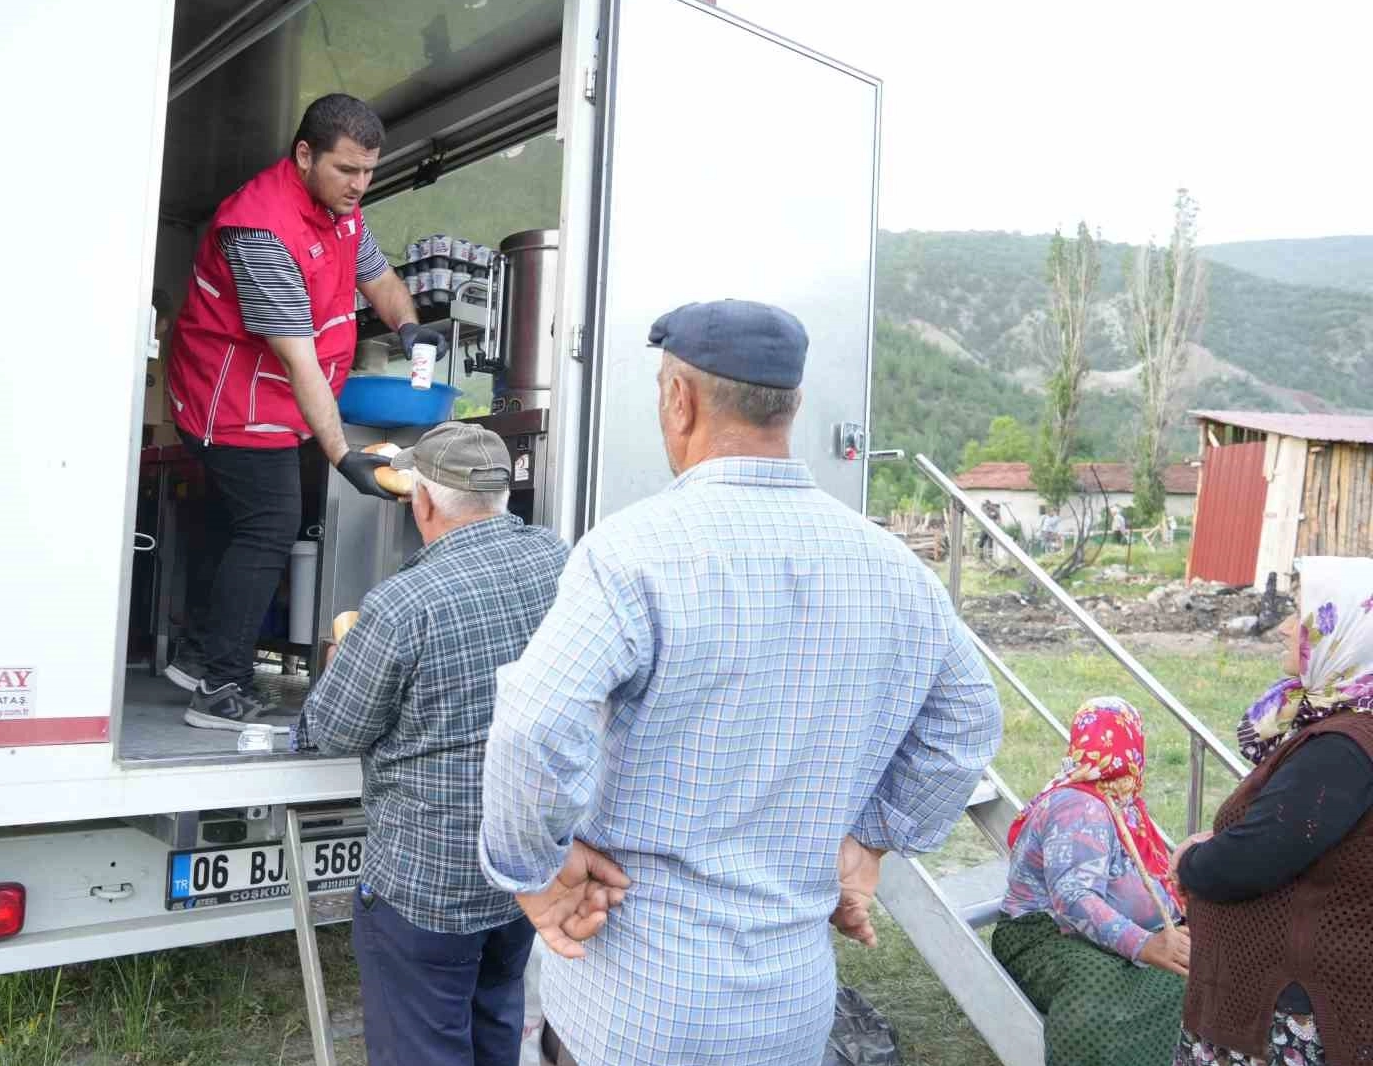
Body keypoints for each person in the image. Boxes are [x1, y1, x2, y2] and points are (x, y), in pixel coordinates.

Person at [476, 299, 1004, 1065]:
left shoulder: (633, 552)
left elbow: (533, 726)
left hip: (637, 1004)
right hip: (791, 1011)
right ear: (786, 409)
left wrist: (534, 871)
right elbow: (966, 721)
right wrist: (872, 841)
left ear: (678, 399)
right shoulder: (894, 569)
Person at [163, 92, 449, 730]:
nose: (360, 184)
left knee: (237, 523)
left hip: (281, 399)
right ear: (304, 155)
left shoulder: (340, 209)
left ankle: (199, 653)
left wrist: (409, 327)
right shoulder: (260, 229)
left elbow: (376, 277)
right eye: (347, 170)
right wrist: (343, 454)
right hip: (230, 400)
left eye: (369, 170)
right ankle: (219, 689)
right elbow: (297, 357)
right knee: (269, 524)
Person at [300, 422, 569, 1066]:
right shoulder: (564, 563)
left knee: (423, 1046)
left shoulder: (402, 604)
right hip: (524, 868)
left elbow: (332, 731)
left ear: (420, 503)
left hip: (428, 886)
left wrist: (345, 657)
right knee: (496, 1026)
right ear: (504, 495)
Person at [1172, 556, 1373, 1066]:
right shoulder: (1346, 725)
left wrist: (1192, 863)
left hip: (1289, 1015)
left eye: (1302, 613)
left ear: (1346, 629)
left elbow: (1256, 858)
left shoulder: (1341, 749)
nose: (1285, 626)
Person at [992, 697, 1188, 1066]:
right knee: (1099, 985)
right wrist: (1144, 944)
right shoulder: (1078, 805)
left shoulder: (1121, 803)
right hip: (1038, 935)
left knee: (1177, 973)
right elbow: (1073, 896)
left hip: (1084, 931)